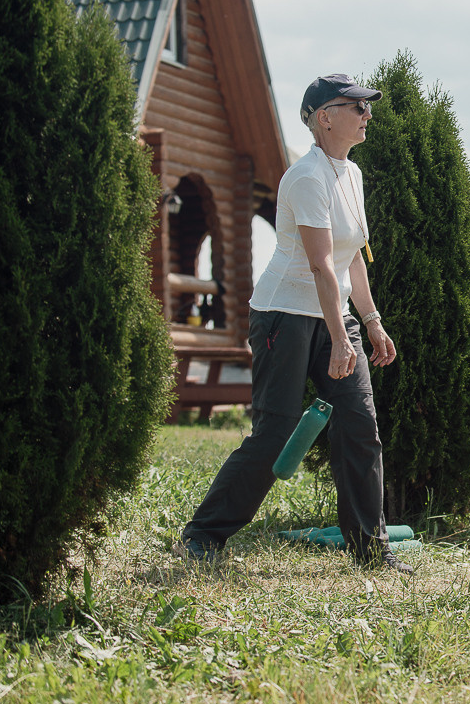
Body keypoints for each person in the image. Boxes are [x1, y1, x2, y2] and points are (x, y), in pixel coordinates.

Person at [176, 73, 411, 575]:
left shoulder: (352, 175)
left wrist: (369, 323)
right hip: (284, 315)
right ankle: (203, 533)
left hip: (333, 314)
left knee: (360, 424)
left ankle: (370, 549)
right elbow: (320, 263)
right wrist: (337, 339)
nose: (368, 114)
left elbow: (352, 261)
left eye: (367, 107)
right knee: (277, 430)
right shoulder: (306, 177)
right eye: (357, 107)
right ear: (324, 116)